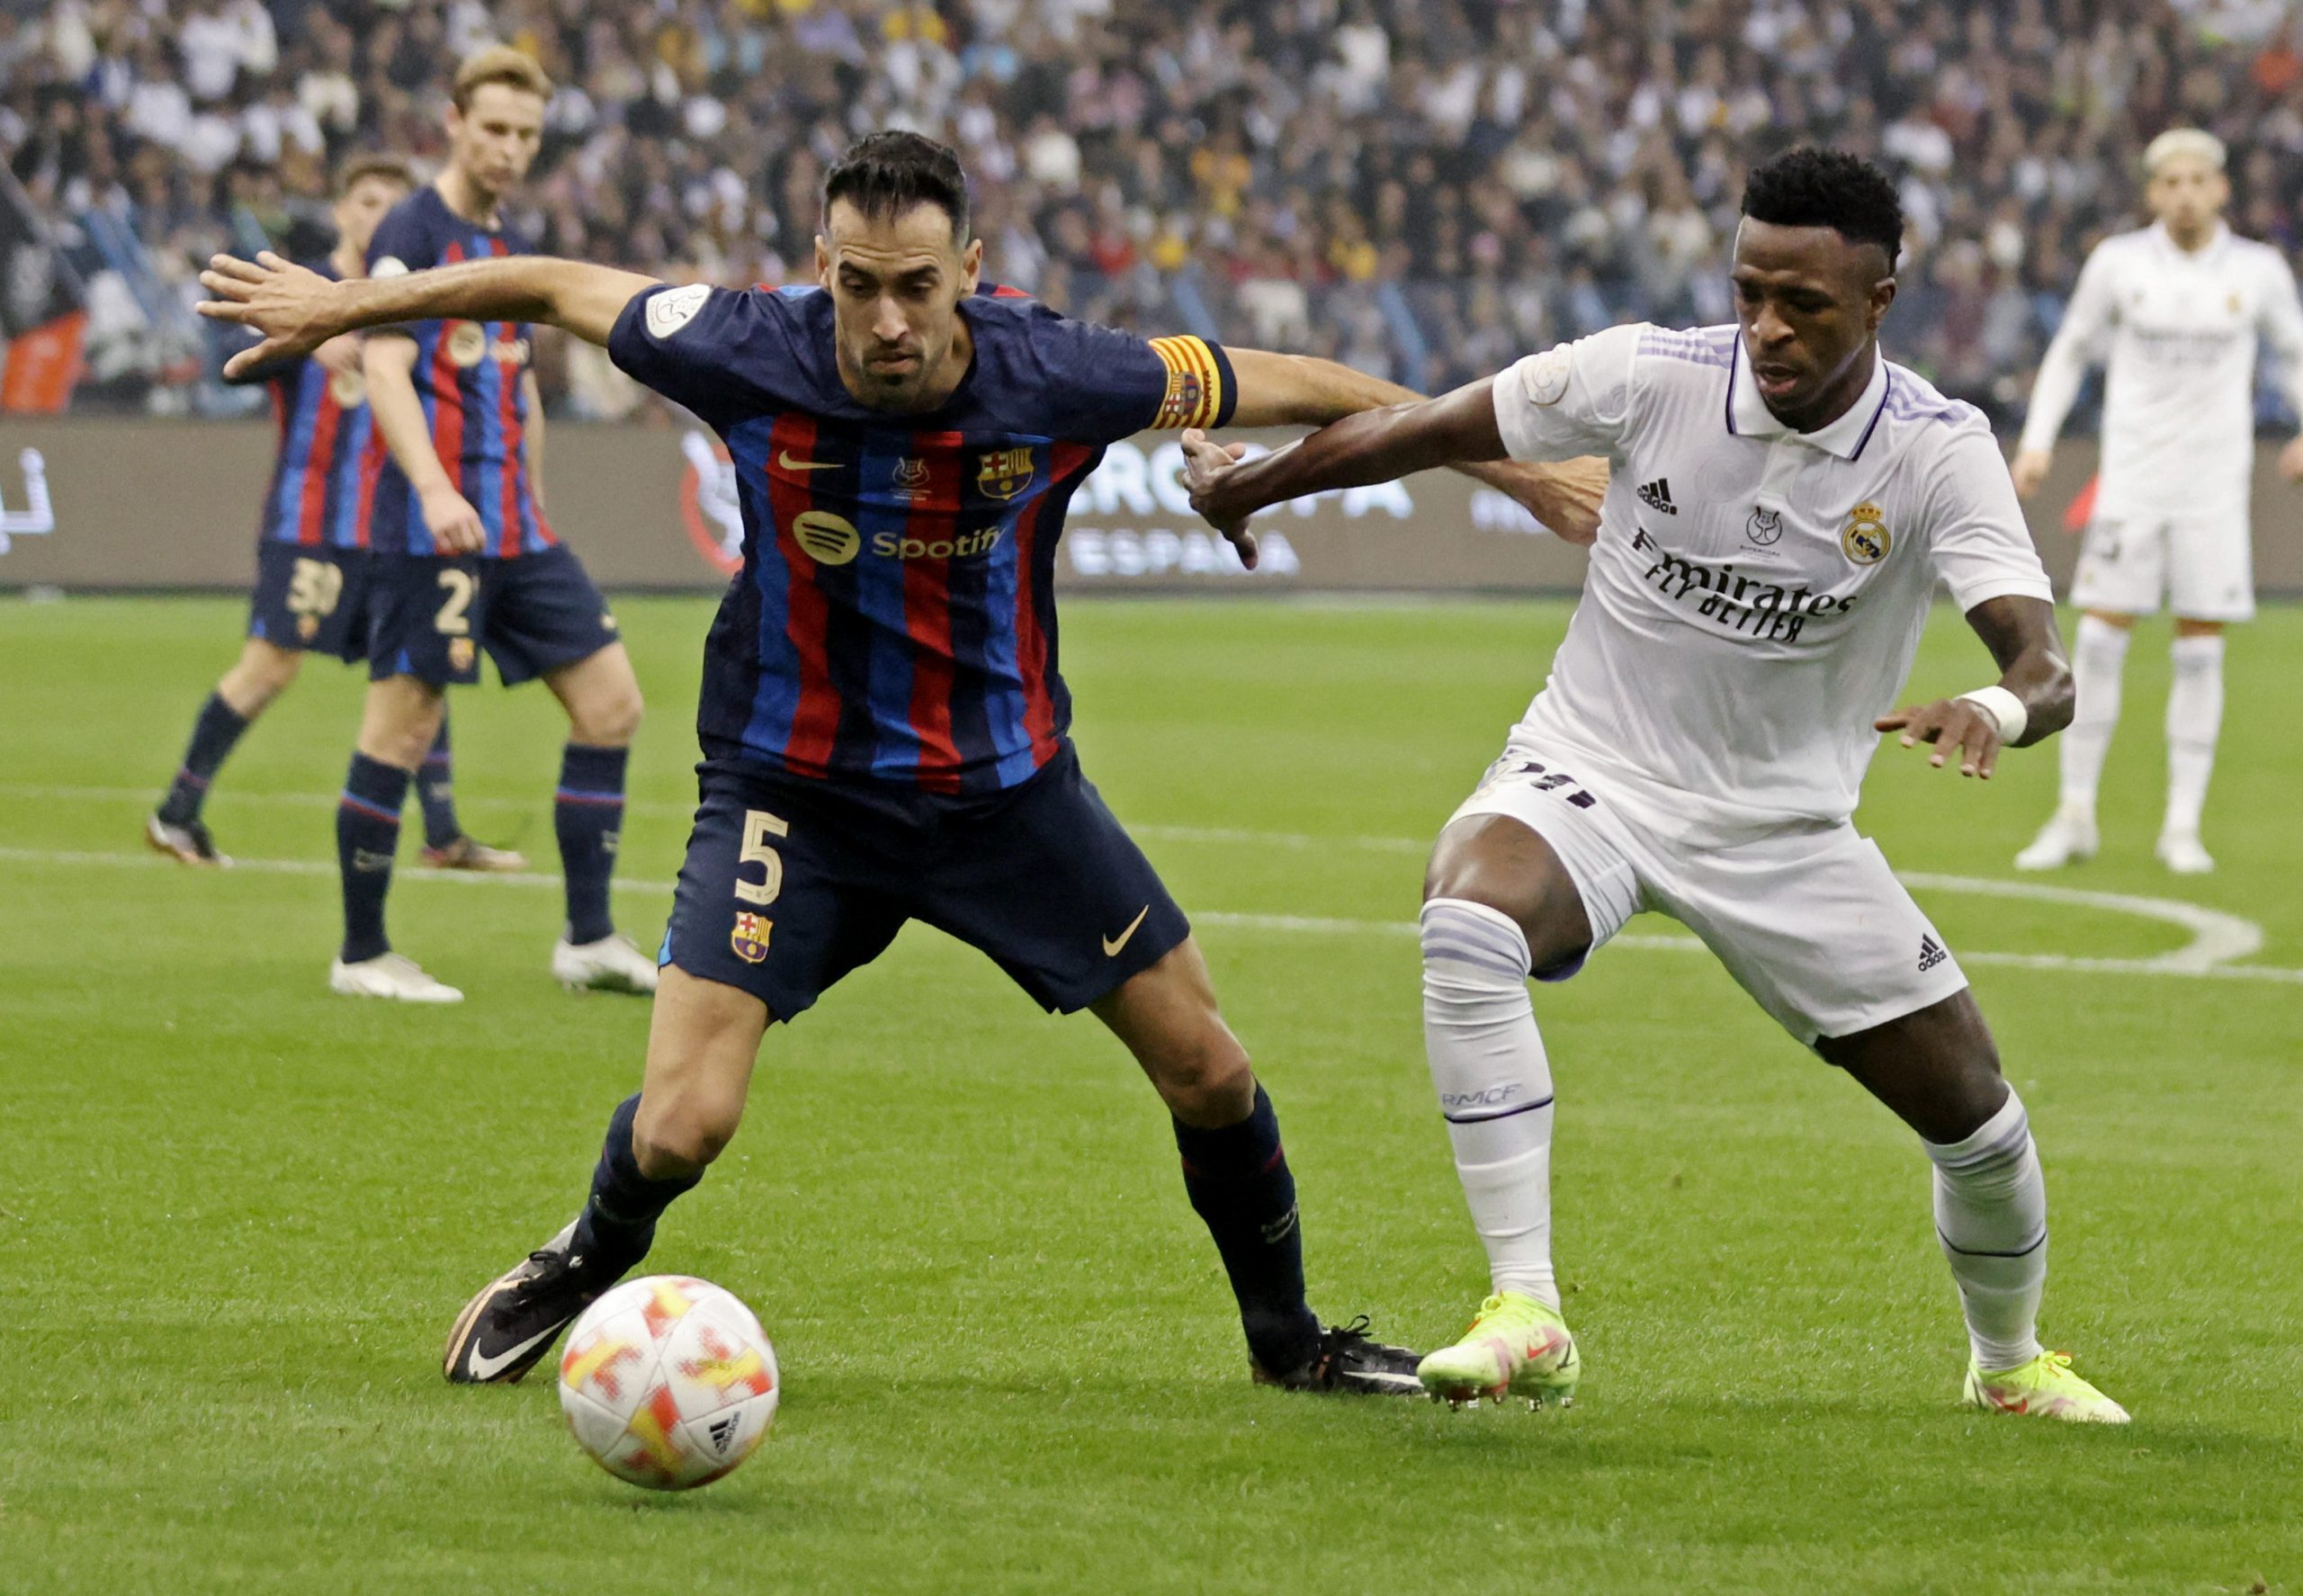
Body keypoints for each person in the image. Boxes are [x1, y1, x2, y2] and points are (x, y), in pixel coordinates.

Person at [195, 130, 1607, 1394]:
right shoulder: (741, 343)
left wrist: (1524, 469)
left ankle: (1290, 1345)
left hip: (1006, 797)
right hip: (791, 793)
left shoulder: (1065, 372)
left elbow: (1319, 383)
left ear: (969, 273)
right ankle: (576, 1263)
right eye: (857, 282)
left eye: (915, 287)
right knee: (684, 1124)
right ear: (822, 266)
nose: (883, 318)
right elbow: (553, 282)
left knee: (1211, 1070)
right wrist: (342, 309)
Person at [1181, 148, 2128, 1422]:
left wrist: (1993, 706)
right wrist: (1250, 482)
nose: (1769, 329)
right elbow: (1419, 427)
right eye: (1749, 291)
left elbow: (2046, 666)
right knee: (1469, 914)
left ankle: (2009, 1363)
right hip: (1596, 772)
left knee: (1979, 1120)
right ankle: (1527, 1309)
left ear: (1882, 301)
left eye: (1807, 305)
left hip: (1784, 827)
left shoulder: (1935, 451)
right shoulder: (1648, 374)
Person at [336, 47, 654, 1003]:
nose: (511, 149)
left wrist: (536, 490)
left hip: (518, 529)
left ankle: (588, 938)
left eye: (526, 134)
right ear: (455, 123)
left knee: (612, 703)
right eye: (496, 130)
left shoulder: (506, 240)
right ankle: (360, 953)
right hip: (431, 527)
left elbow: (518, 387)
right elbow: (384, 367)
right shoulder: (414, 226)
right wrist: (434, 489)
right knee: (403, 725)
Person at [147, 155, 524, 879]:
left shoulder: (411, 294)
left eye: (394, 201)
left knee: (416, 672)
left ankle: (442, 833)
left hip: (389, 527)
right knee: (269, 668)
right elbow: (229, 356)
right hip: (313, 525)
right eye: (367, 200)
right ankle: (177, 812)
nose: (381, 214)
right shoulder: (305, 293)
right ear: (344, 211)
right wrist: (308, 342)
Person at [2010, 128, 2303, 875]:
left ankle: (2182, 826)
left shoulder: (2258, 270)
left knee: (2200, 652)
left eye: (2197, 180)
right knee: (2100, 644)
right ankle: (2074, 814)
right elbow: (2072, 346)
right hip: (2132, 482)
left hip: (2212, 488)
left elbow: (2294, 355)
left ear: (2221, 188)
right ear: (2152, 191)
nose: (2184, 193)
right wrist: (2039, 439)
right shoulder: (2119, 264)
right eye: (2169, 181)